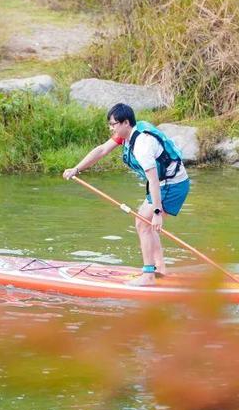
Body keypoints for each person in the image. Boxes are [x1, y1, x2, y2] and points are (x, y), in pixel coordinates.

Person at [63, 103, 190, 286]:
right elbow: (101, 150)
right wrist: (76, 168)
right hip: (164, 184)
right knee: (144, 223)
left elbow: (153, 180)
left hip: (172, 185)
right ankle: (160, 268)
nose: (111, 128)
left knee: (143, 223)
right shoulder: (127, 136)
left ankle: (148, 275)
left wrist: (157, 213)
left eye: (113, 124)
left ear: (126, 122)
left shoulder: (142, 146)